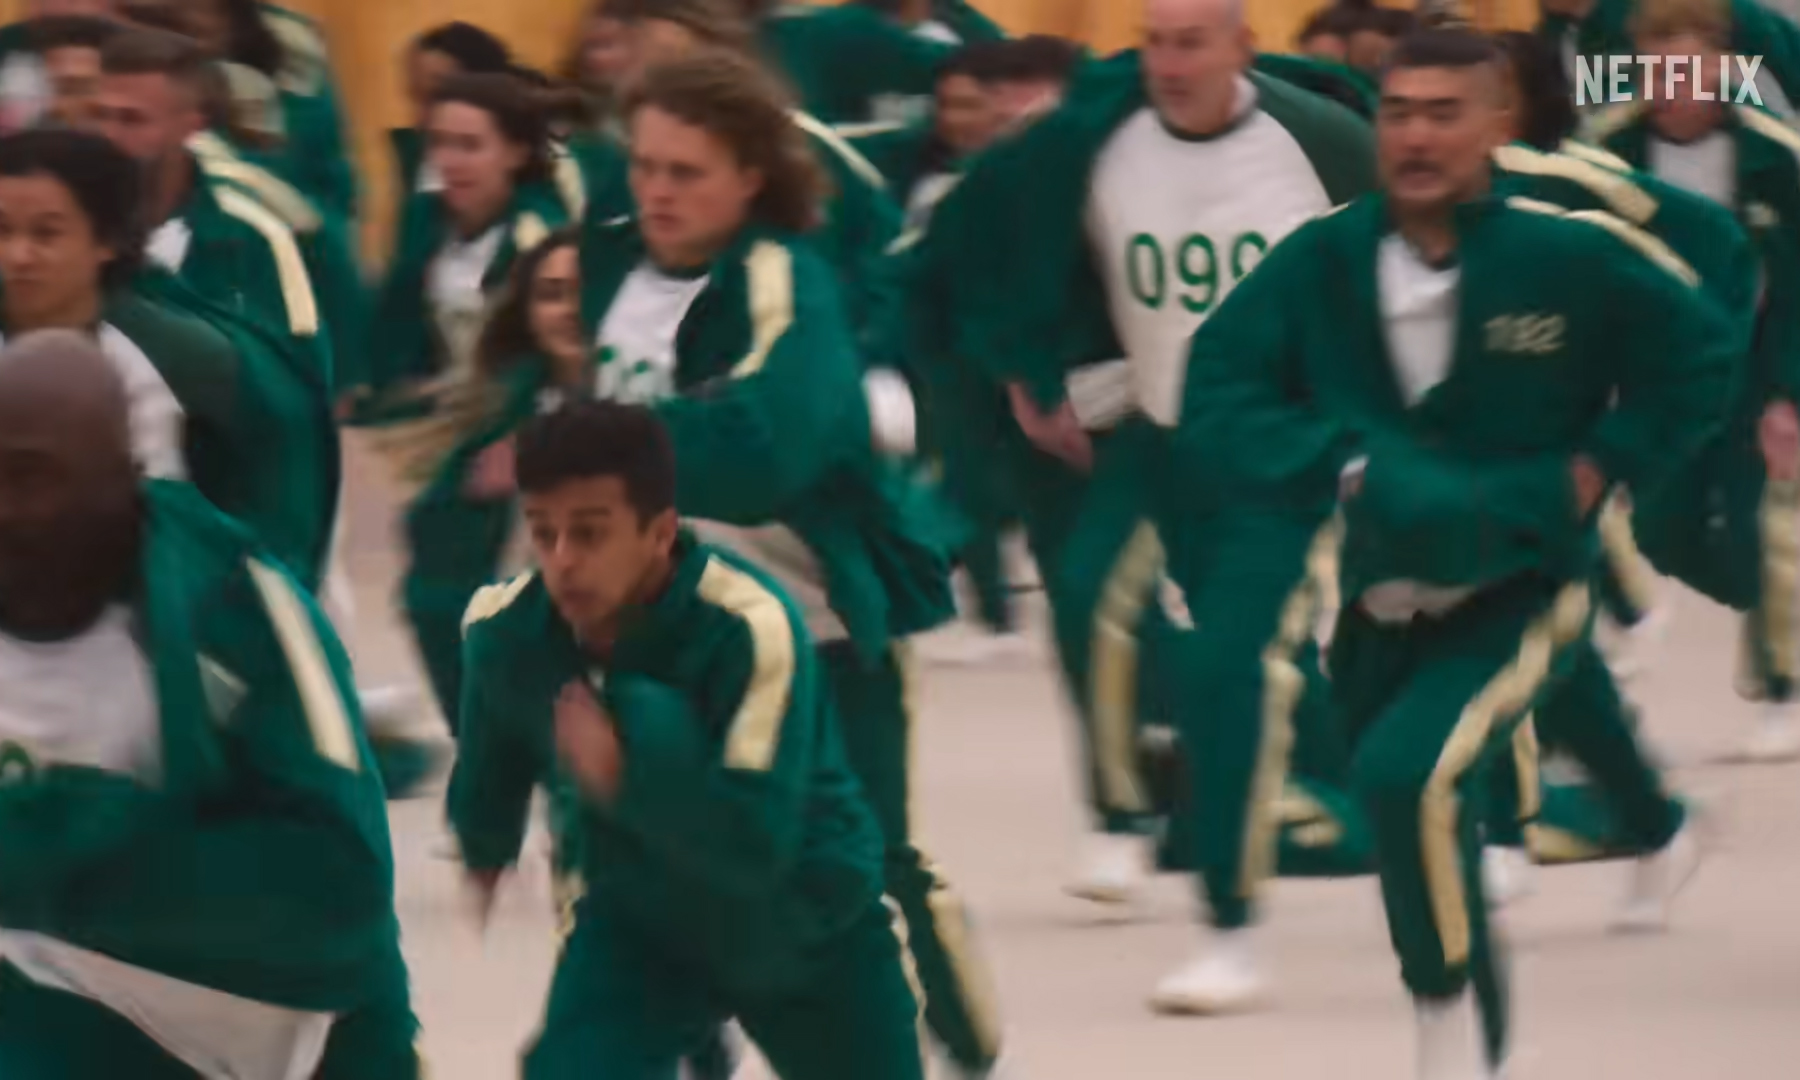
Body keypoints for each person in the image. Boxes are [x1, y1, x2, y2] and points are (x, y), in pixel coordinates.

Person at [1178, 28, 1729, 1078]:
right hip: (1378, 602)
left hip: (1525, 583)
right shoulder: (1323, 261)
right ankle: (1485, 1010)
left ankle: (1448, 1041)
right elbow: (1221, 385)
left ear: (1498, 125)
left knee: (1406, 777)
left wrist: (1605, 461)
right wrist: (1332, 462)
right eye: (1398, 113)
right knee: (1415, 818)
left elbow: (1697, 348)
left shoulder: (1566, 254)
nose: (1416, 136)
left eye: (1443, 113)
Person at [572, 50, 1000, 1076]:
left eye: (689, 171)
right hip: (664, 639)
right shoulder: (608, 272)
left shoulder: (782, 281)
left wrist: (608, 447)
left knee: (868, 867)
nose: (659, 192)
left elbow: (770, 449)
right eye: (646, 167)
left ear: (751, 177)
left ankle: (973, 1053)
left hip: (818, 630)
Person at [949, 0, 1376, 1014]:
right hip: (1156, 431)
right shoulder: (1099, 140)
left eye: (1193, 42)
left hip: (1285, 447)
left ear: (1242, 45)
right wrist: (1036, 369)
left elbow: (1406, 254)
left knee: (1241, 663)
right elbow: (1022, 253)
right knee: (1089, 590)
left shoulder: (1320, 139)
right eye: (1154, 42)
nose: (1171, 63)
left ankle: (1235, 923)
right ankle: (1119, 815)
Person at [450, 400, 926, 1080]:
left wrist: (625, 772)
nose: (562, 561)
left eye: (589, 533)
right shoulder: (506, 627)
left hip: (806, 918)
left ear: (660, 532)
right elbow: (494, 746)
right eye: (541, 531)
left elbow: (756, 839)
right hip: (642, 919)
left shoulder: (750, 626)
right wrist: (484, 845)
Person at [0, 330, 419, 1079]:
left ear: (124, 478)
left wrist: (54, 842)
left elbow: (338, 892)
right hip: (74, 1024)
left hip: (304, 1041)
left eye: (29, 475)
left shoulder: (237, 607)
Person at [1576, 0, 1800, 761]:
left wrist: (1787, 396)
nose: (1675, 91)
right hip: (1659, 376)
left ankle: (1781, 687)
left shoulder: (1777, 155)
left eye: (1692, 73)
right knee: (1658, 529)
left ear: (1724, 71)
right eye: (1658, 75)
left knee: (1756, 524)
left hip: (1754, 366)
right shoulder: (1609, 153)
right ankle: (1760, 611)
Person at [94, 28, 366, 396]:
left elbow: (292, 388)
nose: (107, 136)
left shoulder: (253, 236)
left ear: (192, 125)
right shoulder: (66, 224)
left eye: (132, 120)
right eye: (99, 115)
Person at [173, 0, 355, 221]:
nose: (196, 21)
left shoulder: (292, 52)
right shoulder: (136, 52)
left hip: (283, 229)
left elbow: (329, 184)